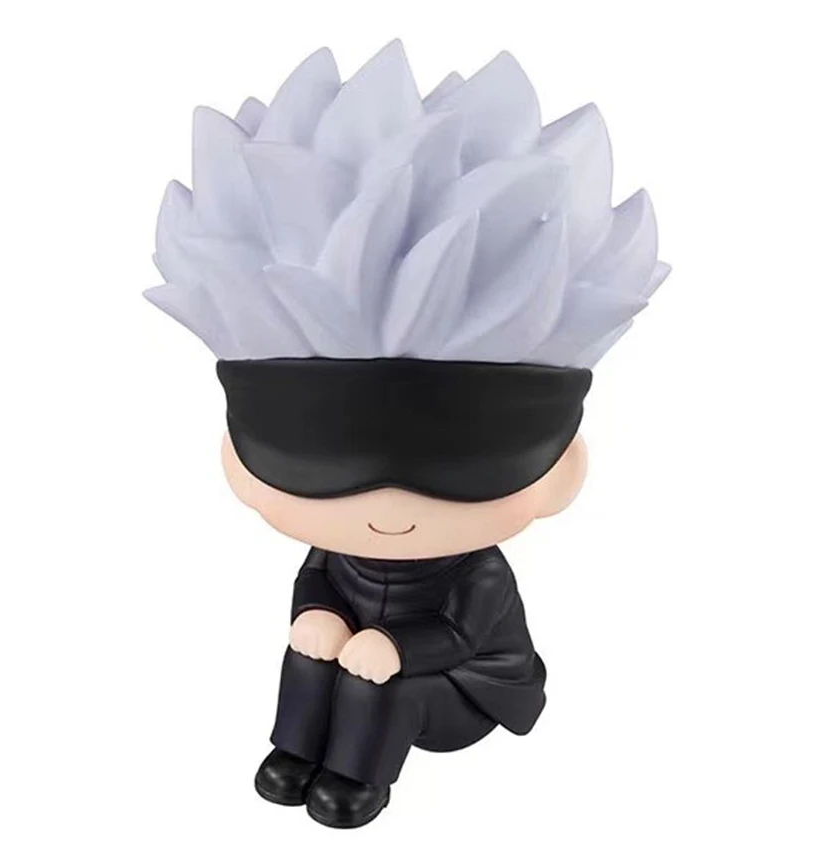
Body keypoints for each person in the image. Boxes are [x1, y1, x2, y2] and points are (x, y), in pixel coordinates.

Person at [145, 40, 669, 828]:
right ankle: (294, 752)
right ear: (241, 463)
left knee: (382, 683)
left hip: (463, 687)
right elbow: (319, 583)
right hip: (362, 659)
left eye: (461, 472)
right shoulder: (336, 553)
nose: (385, 505)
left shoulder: (477, 572)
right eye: (319, 466)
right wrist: (319, 617)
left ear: (562, 470)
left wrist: (395, 648)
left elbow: (464, 632)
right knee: (313, 650)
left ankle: (357, 779)